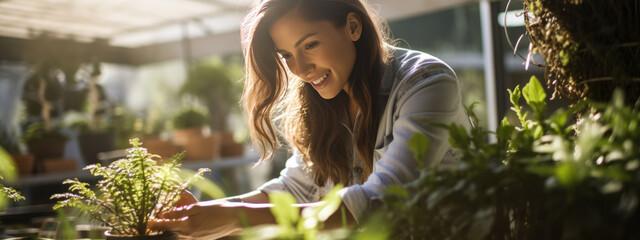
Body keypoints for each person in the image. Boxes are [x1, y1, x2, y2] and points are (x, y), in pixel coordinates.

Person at [150, 0, 472, 238]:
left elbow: (384, 199)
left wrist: (238, 217)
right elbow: (296, 188)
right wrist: (205, 214)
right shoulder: (323, 104)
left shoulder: (426, 82)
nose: (300, 70)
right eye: (287, 55)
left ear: (353, 27)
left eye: (310, 45)